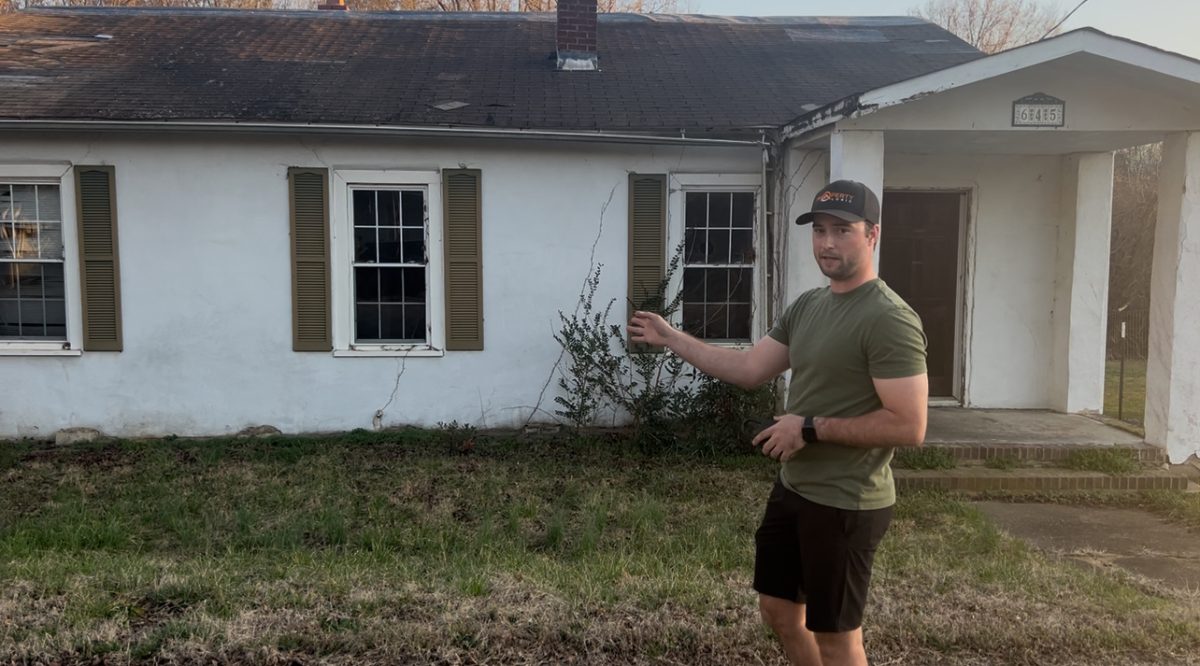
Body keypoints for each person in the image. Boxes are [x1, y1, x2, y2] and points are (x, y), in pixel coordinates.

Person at [627, 179, 928, 666]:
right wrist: (672, 338)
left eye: (842, 230)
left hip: (846, 500)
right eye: (820, 230)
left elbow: (908, 425)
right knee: (780, 610)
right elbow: (750, 368)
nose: (827, 243)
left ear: (872, 234)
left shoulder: (889, 318)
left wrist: (808, 428)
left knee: (836, 638)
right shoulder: (810, 306)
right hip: (796, 489)